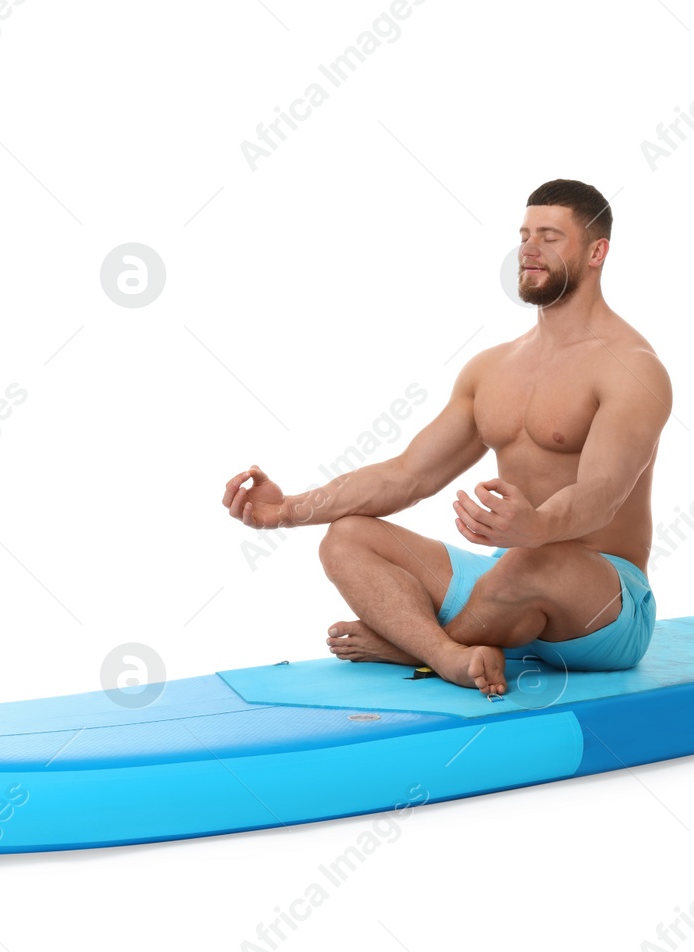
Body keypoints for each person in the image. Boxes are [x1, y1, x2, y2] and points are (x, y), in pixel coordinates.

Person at [221, 179, 670, 697]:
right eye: (524, 234)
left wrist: (538, 524)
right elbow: (407, 474)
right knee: (347, 536)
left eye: (550, 236)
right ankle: (449, 655)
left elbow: (603, 495)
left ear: (598, 252)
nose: (528, 248)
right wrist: (288, 510)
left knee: (532, 561)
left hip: (604, 607)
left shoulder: (632, 368)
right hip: (504, 585)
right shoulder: (493, 368)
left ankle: (409, 645)